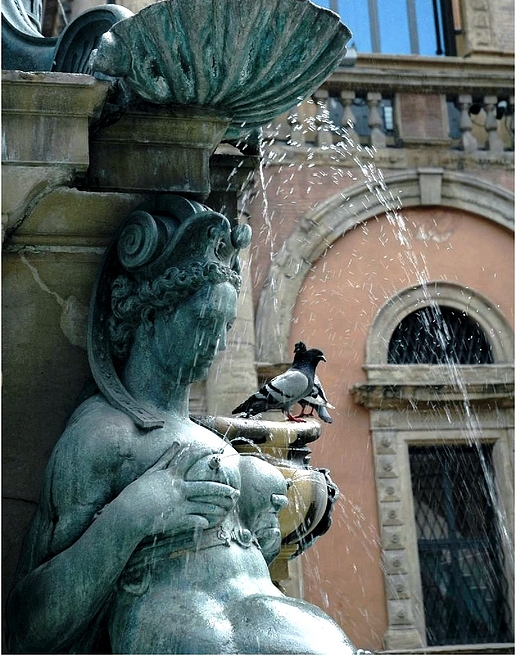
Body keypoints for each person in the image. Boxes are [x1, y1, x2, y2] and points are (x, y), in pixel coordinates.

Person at [6, 194, 358, 655]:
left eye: (226, 325)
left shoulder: (208, 439)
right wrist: (134, 514)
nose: (218, 341)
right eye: (204, 320)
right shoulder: (106, 435)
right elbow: (30, 627)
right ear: (150, 315)